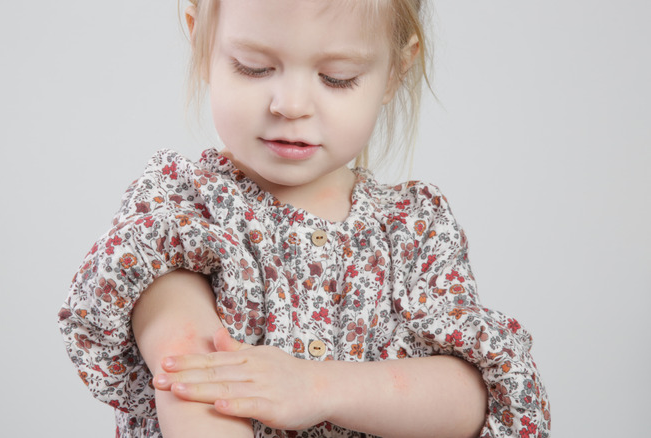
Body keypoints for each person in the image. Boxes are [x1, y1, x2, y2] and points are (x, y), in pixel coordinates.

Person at [57, 1, 551, 437]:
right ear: (201, 40)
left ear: (396, 71)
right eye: (254, 67)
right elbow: (191, 376)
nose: (290, 105)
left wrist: (318, 387)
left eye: (336, 77)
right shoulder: (183, 215)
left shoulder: (415, 228)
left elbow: (473, 398)